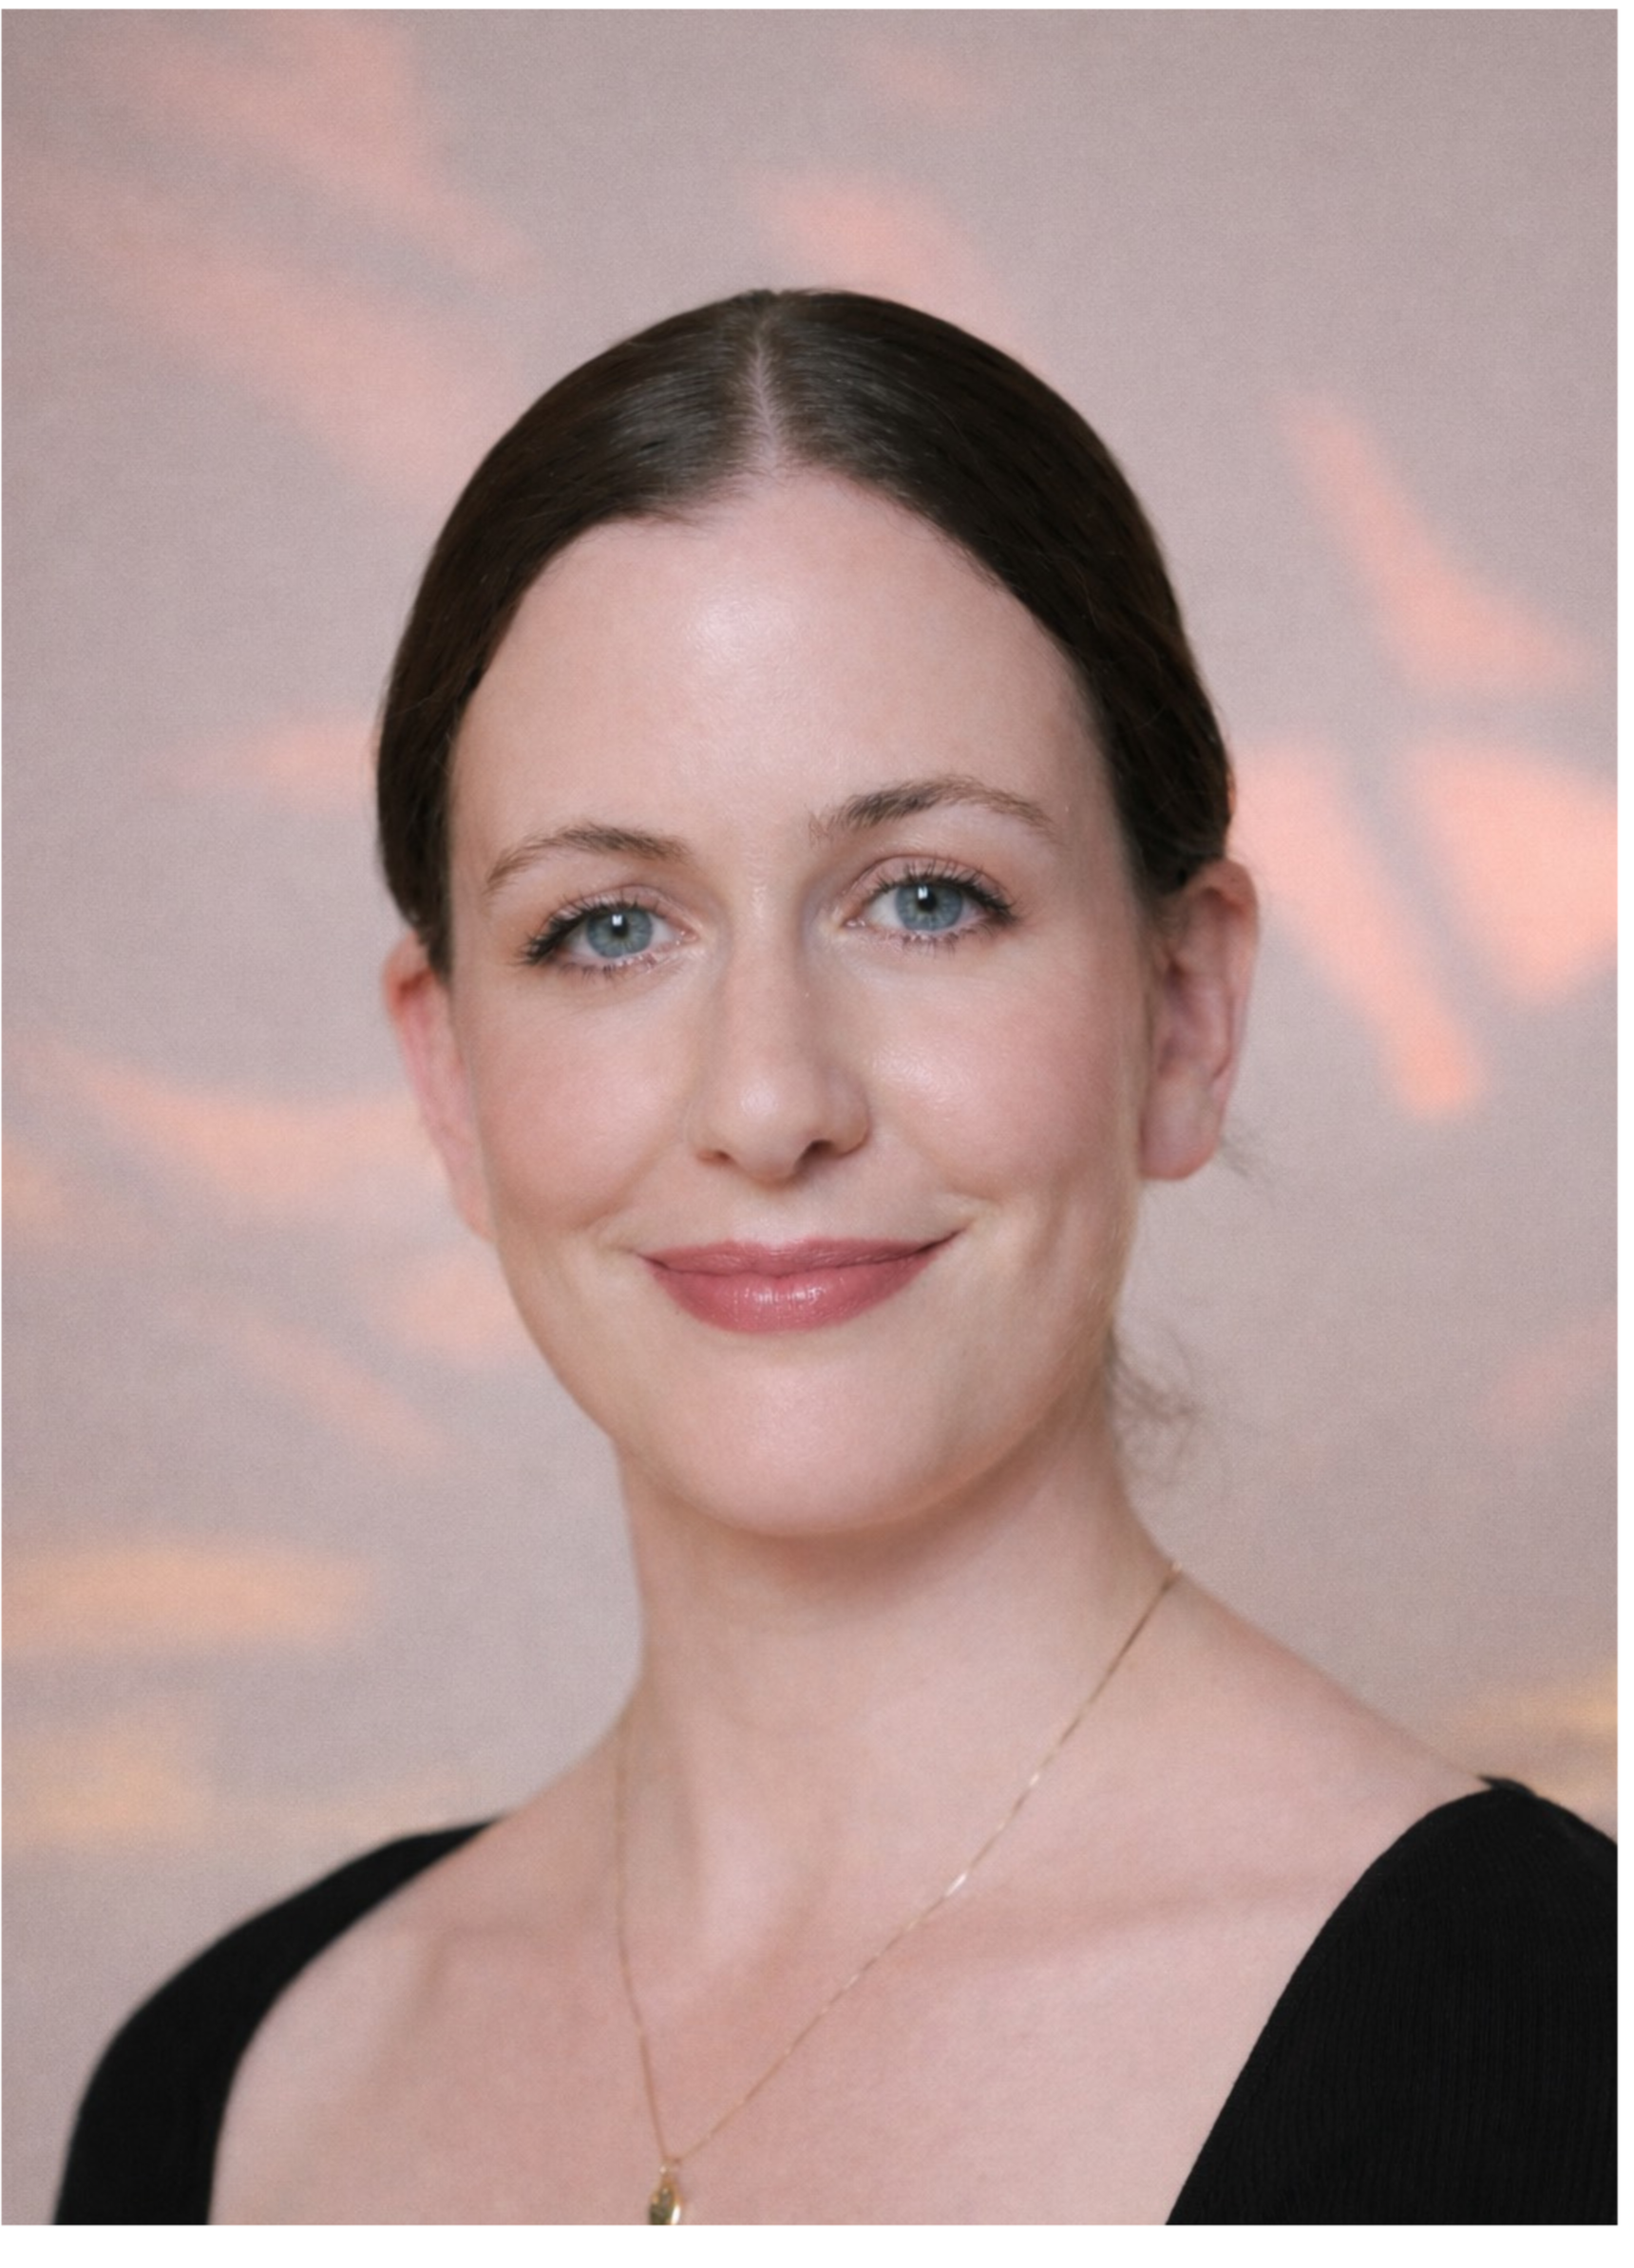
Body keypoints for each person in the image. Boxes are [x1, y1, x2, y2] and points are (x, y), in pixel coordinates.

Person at [56, 290, 1612, 2225]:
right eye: (608, 929)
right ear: (447, 1074)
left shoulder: (1565, 2060)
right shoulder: (208, 2097)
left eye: (927, 898)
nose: (770, 1100)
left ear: (1184, 1009)